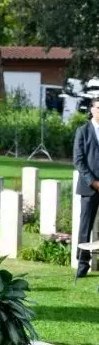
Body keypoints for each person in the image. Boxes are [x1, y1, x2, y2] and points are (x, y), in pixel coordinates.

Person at [73, 97, 99, 284]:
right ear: (92, 109)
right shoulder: (82, 131)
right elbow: (79, 161)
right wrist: (93, 182)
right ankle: (82, 263)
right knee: (85, 227)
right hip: (90, 188)